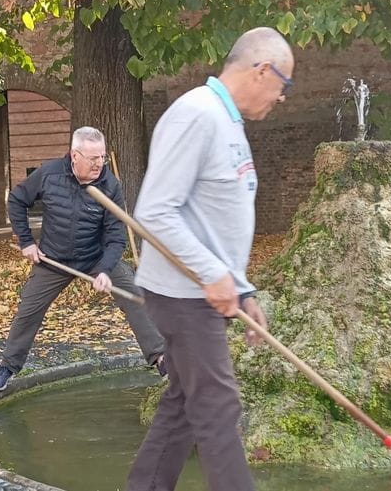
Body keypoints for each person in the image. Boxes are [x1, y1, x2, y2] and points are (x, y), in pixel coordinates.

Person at [126, 28, 290, 491]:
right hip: (184, 293)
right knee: (219, 406)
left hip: (203, 289)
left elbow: (215, 219)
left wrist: (241, 286)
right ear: (262, 70)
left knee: (183, 402)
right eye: (284, 84)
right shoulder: (196, 115)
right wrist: (214, 274)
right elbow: (154, 211)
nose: (281, 97)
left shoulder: (226, 120)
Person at [0, 126, 166, 391]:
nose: (99, 164)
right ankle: (8, 366)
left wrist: (105, 270)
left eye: (102, 157)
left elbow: (116, 237)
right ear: (74, 156)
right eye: (92, 158)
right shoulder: (49, 174)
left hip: (95, 257)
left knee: (133, 295)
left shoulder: (110, 186)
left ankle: (161, 359)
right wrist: (26, 242)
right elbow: (17, 200)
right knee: (29, 309)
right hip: (54, 258)